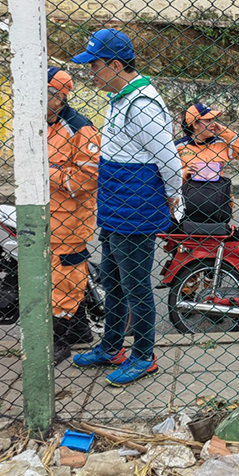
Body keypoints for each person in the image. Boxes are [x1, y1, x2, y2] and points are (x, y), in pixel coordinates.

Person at [70, 29, 182, 386]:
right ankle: (112, 346)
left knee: (135, 286)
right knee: (114, 281)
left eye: (95, 65)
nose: (91, 72)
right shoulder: (120, 98)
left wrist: (173, 192)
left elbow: (168, 157)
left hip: (135, 206)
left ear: (115, 64)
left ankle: (143, 355)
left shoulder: (143, 104)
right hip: (117, 202)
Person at [45, 67, 101, 365]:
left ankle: (60, 340)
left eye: (48, 94)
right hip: (47, 216)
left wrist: (49, 173)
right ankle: (79, 330)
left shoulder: (79, 128)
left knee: (65, 278)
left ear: (60, 97)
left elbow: (88, 178)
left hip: (70, 219)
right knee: (61, 275)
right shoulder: (42, 124)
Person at [174, 103, 239, 223]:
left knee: (214, 240)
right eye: (208, 120)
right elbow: (168, 175)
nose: (213, 124)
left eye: (213, 119)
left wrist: (224, 132)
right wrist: (185, 172)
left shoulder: (220, 144)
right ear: (195, 124)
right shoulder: (179, 147)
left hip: (216, 203)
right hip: (188, 203)